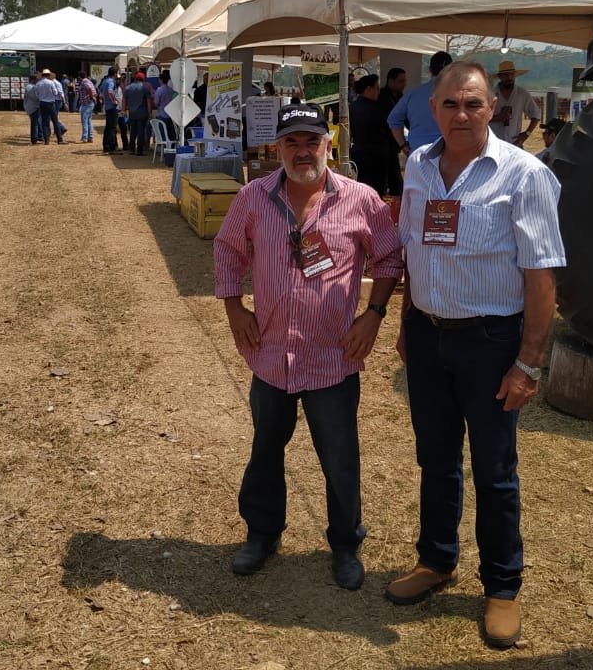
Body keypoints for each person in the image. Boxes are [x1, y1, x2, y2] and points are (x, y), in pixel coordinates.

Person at [386, 61, 565, 650]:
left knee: (494, 471)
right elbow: (415, 247)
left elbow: (540, 279)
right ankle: (436, 560)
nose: (461, 116)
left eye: (473, 105)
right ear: (431, 108)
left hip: (492, 343)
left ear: (493, 109)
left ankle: (502, 586)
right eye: (450, 105)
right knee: (435, 458)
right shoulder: (417, 164)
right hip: (430, 336)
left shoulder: (525, 174)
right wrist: (410, 319)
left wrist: (529, 362)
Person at [213, 103, 403, 591]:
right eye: (291, 142)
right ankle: (261, 533)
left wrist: (373, 315)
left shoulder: (360, 200)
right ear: (276, 148)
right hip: (272, 353)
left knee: (339, 456)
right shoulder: (254, 198)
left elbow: (388, 258)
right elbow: (228, 250)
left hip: (333, 356)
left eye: (311, 141)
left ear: (329, 144)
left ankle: (345, 544)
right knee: (265, 448)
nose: (303, 152)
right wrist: (235, 308)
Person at [388, 51, 452, 158]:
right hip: (449, 154)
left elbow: (393, 119)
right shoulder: (460, 94)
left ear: (430, 70)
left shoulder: (413, 94)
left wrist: (403, 145)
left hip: (418, 154)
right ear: (451, 70)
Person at [349, 74, 390, 195]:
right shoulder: (378, 108)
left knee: (360, 191)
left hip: (358, 154)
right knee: (377, 193)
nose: (379, 92)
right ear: (368, 89)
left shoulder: (352, 107)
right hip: (377, 157)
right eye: (376, 88)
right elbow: (387, 128)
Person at [489, 60, 540, 147]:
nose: (509, 78)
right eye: (506, 75)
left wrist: (527, 133)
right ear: (500, 76)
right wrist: (497, 117)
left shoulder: (522, 93)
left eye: (512, 74)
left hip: (514, 142)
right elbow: (480, 117)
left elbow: (536, 114)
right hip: (493, 142)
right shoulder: (490, 93)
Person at [378, 67, 407, 196]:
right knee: (390, 182)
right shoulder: (380, 96)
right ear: (390, 81)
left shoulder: (401, 97)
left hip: (394, 146)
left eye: (404, 81)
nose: (404, 84)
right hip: (381, 145)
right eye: (401, 81)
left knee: (396, 183)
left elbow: (406, 118)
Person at [33, 69, 67, 145]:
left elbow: (36, 94)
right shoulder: (51, 83)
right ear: (48, 75)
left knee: (45, 122)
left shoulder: (38, 83)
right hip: (51, 103)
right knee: (55, 121)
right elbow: (55, 93)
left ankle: (46, 140)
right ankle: (60, 139)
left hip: (42, 103)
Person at [124, 71, 153, 155]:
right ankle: (139, 149)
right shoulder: (144, 88)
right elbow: (148, 102)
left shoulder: (128, 88)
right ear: (143, 79)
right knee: (141, 131)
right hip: (142, 112)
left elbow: (124, 100)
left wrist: (123, 111)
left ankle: (132, 148)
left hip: (132, 113)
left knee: (133, 130)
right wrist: (150, 113)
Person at [99, 69, 121, 153]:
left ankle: (106, 146)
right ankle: (112, 147)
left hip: (107, 107)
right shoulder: (111, 81)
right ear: (114, 73)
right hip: (112, 107)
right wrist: (114, 101)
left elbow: (100, 91)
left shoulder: (105, 81)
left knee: (108, 127)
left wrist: (103, 99)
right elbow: (110, 91)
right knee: (112, 128)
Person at [154, 70, 178, 142]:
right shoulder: (171, 90)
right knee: (170, 132)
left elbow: (156, 103)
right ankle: (170, 147)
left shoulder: (159, 90)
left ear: (160, 80)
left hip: (161, 114)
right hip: (170, 114)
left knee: (162, 134)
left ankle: (164, 148)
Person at [75, 71, 98, 143]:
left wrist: (91, 97)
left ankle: (85, 137)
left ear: (80, 77)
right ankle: (90, 137)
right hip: (88, 103)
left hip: (87, 103)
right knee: (88, 120)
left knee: (84, 120)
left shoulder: (84, 82)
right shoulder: (88, 81)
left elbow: (89, 89)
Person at [22, 73, 44, 144]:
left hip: (34, 106)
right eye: (36, 79)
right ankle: (34, 139)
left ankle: (40, 136)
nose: (37, 81)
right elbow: (34, 97)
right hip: (33, 107)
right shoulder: (30, 87)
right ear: (33, 80)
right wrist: (41, 100)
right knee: (34, 123)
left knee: (38, 122)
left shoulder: (32, 86)